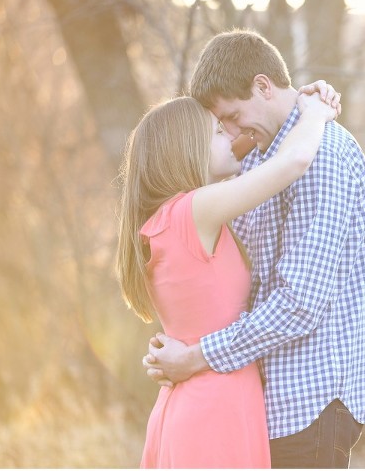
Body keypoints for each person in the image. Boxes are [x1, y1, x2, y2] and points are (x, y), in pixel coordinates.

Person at [143, 29, 365, 468]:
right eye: (220, 125)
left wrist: (197, 356)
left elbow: (298, 304)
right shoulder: (262, 155)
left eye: (232, 115)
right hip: (266, 401)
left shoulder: (324, 157)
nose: (230, 131)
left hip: (310, 403)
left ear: (263, 86)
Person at [116, 82, 340, 468]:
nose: (231, 137)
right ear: (188, 149)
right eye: (219, 132)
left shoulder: (166, 221)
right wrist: (316, 112)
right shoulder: (192, 211)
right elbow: (292, 162)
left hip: (195, 402)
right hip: (215, 407)